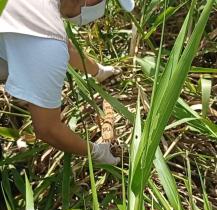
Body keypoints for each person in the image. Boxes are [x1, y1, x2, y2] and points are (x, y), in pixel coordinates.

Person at [0, 0, 135, 165]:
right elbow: (48, 130)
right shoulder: (48, 46)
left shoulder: (41, 10)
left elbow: (65, 45)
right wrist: (96, 152)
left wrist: (98, 71)